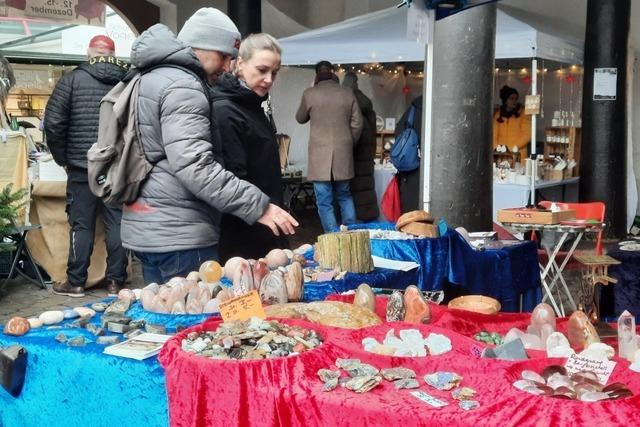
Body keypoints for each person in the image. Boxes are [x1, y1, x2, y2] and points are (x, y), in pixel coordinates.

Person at [120, 8, 297, 284]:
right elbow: (196, 167)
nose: (228, 66)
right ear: (204, 47)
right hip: (180, 232)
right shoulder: (184, 85)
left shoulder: (153, 76)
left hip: (152, 226)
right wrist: (261, 207)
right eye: (225, 56)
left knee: (165, 319)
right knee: (194, 322)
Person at [45, 35, 129, 297]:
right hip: (116, 166)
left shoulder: (72, 80)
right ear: (113, 53)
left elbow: (54, 123)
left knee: (81, 225)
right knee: (118, 223)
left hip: (81, 166)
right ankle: (116, 281)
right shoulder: (127, 81)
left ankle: (76, 282)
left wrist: (63, 158)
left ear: (89, 53)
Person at [212, 33, 286, 261]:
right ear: (240, 64)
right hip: (244, 238)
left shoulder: (252, 105)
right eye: (262, 70)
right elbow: (234, 179)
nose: (269, 79)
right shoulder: (226, 110)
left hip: (264, 226)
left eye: (274, 73)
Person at [296, 61, 363, 232]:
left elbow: (300, 117)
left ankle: (332, 235)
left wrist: (310, 89)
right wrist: (349, 141)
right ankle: (352, 232)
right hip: (343, 152)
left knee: (324, 200)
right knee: (345, 195)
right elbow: (358, 123)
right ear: (333, 72)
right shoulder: (347, 93)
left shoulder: (310, 93)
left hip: (319, 155)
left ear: (316, 74)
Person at [342, 71, 379, 221]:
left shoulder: (347, 106)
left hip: (353, 155)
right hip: (367, 155)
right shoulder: (368, 107)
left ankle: (353, 225)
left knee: (350, 192)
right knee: (366, 191)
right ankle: (368, 220)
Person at [395, 95, 423, 212]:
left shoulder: (412, 110)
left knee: (411, 216)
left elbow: (399, 133)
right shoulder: (444, 108)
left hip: (411, 170)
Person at [493, 85, 531, 160]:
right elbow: (494, 134)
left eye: (516, 99)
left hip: (518, 153)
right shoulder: (498, 114)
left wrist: (512, 148)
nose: (514, 101)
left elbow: (527, 135)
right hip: (501, 154)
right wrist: (496, 148)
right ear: (505, 100)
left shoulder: (523, 114)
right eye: (511, 98)